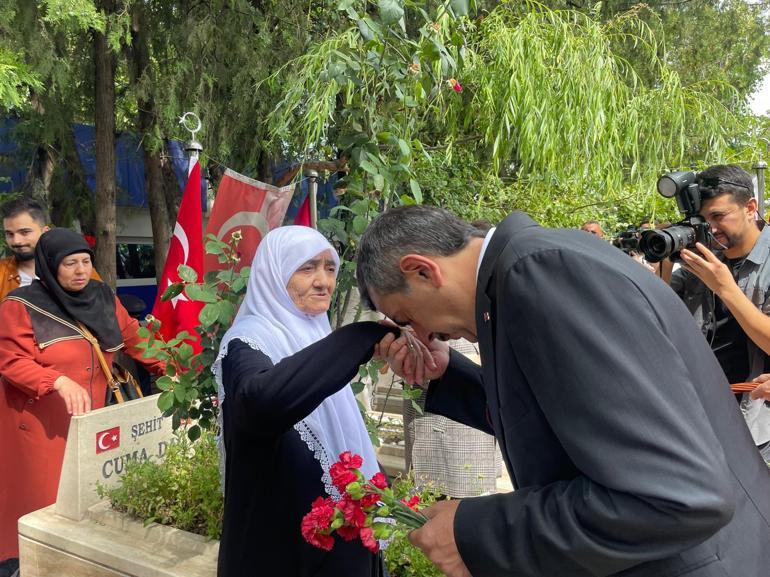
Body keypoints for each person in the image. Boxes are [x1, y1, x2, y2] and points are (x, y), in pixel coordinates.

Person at [358, 205, 770, 577]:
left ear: (423, 271)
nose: (418, 335)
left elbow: (676, 495)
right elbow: (566, 416)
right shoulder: (522, 274)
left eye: (406, 317)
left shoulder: (539, 273)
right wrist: (445, 373)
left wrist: (473, 531)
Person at [214, 226, 413, 577]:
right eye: (306, 269)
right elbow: (257, 401)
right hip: (284, 540)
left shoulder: (315, 331)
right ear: (274, 274)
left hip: (339, 531)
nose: (323, 281)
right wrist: (358, 339)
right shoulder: (248, 342)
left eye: (330, 268)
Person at [0, 228, 165, 572]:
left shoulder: (103, 296)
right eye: (70, 263)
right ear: (50, 266)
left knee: (87, 501)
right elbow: (10, 361)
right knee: (43, 507)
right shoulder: (21, 305)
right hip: (40, 426)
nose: (79, 270)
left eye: (85, 262)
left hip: (94, 420)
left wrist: (174, 368)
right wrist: (55, 380)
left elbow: (134, 337)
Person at [668, 164, 770, 459]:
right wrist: (663, 262)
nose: (710, 228)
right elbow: (659, 320)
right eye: (703, 219)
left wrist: (726, 287)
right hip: (698, 420)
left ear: (750, 208)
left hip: (757, 428)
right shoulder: (699, 263)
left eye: (718, 216)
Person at [1, 197, 100, 300]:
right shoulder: (1, 273)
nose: (16, 241)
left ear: (45, 232)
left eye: (25, 232)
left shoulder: (80, 268)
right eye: (10, 234)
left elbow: (104, 309)